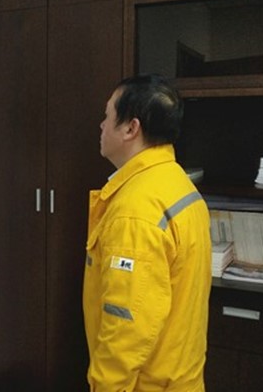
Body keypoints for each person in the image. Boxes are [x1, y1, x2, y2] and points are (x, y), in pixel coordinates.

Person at [83, 74, 211, 392]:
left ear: (131, 128)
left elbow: (126, 326)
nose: (101, 125)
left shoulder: (136, 210)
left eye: (107, 115)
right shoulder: (177, 183)